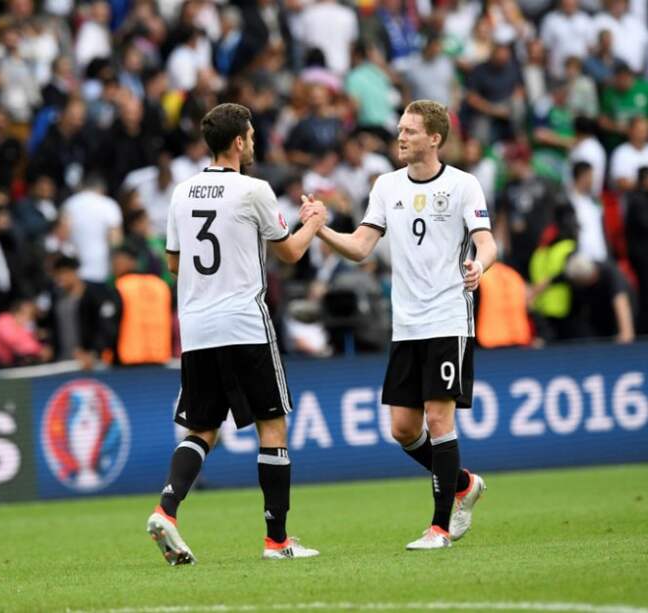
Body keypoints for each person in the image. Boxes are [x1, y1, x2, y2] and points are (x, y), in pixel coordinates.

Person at [146, 102, 327, 564]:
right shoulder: (254, 189)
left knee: (201, 427)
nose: (254, 141)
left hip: (198, 325)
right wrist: (314, 224)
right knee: (273, 425)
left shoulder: (182, 193)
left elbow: (172, 262)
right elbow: (288, 253)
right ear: (239, 142)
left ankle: (167, 510)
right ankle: (277, 541)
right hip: (245, 323)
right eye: (250, 134)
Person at [312, 100, 497, 550]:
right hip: (407, 322)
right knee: (403, 430)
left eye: (411, 131)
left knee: (438, 418)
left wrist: (479, 265)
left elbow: (487, 241)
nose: (401, 137)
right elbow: (360, 247)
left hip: (448, 316)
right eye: (400, 129)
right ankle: (463, 483)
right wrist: (320, 229)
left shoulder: (462, 185)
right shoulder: (386, 185)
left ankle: (439, 528)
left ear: (434, 138)